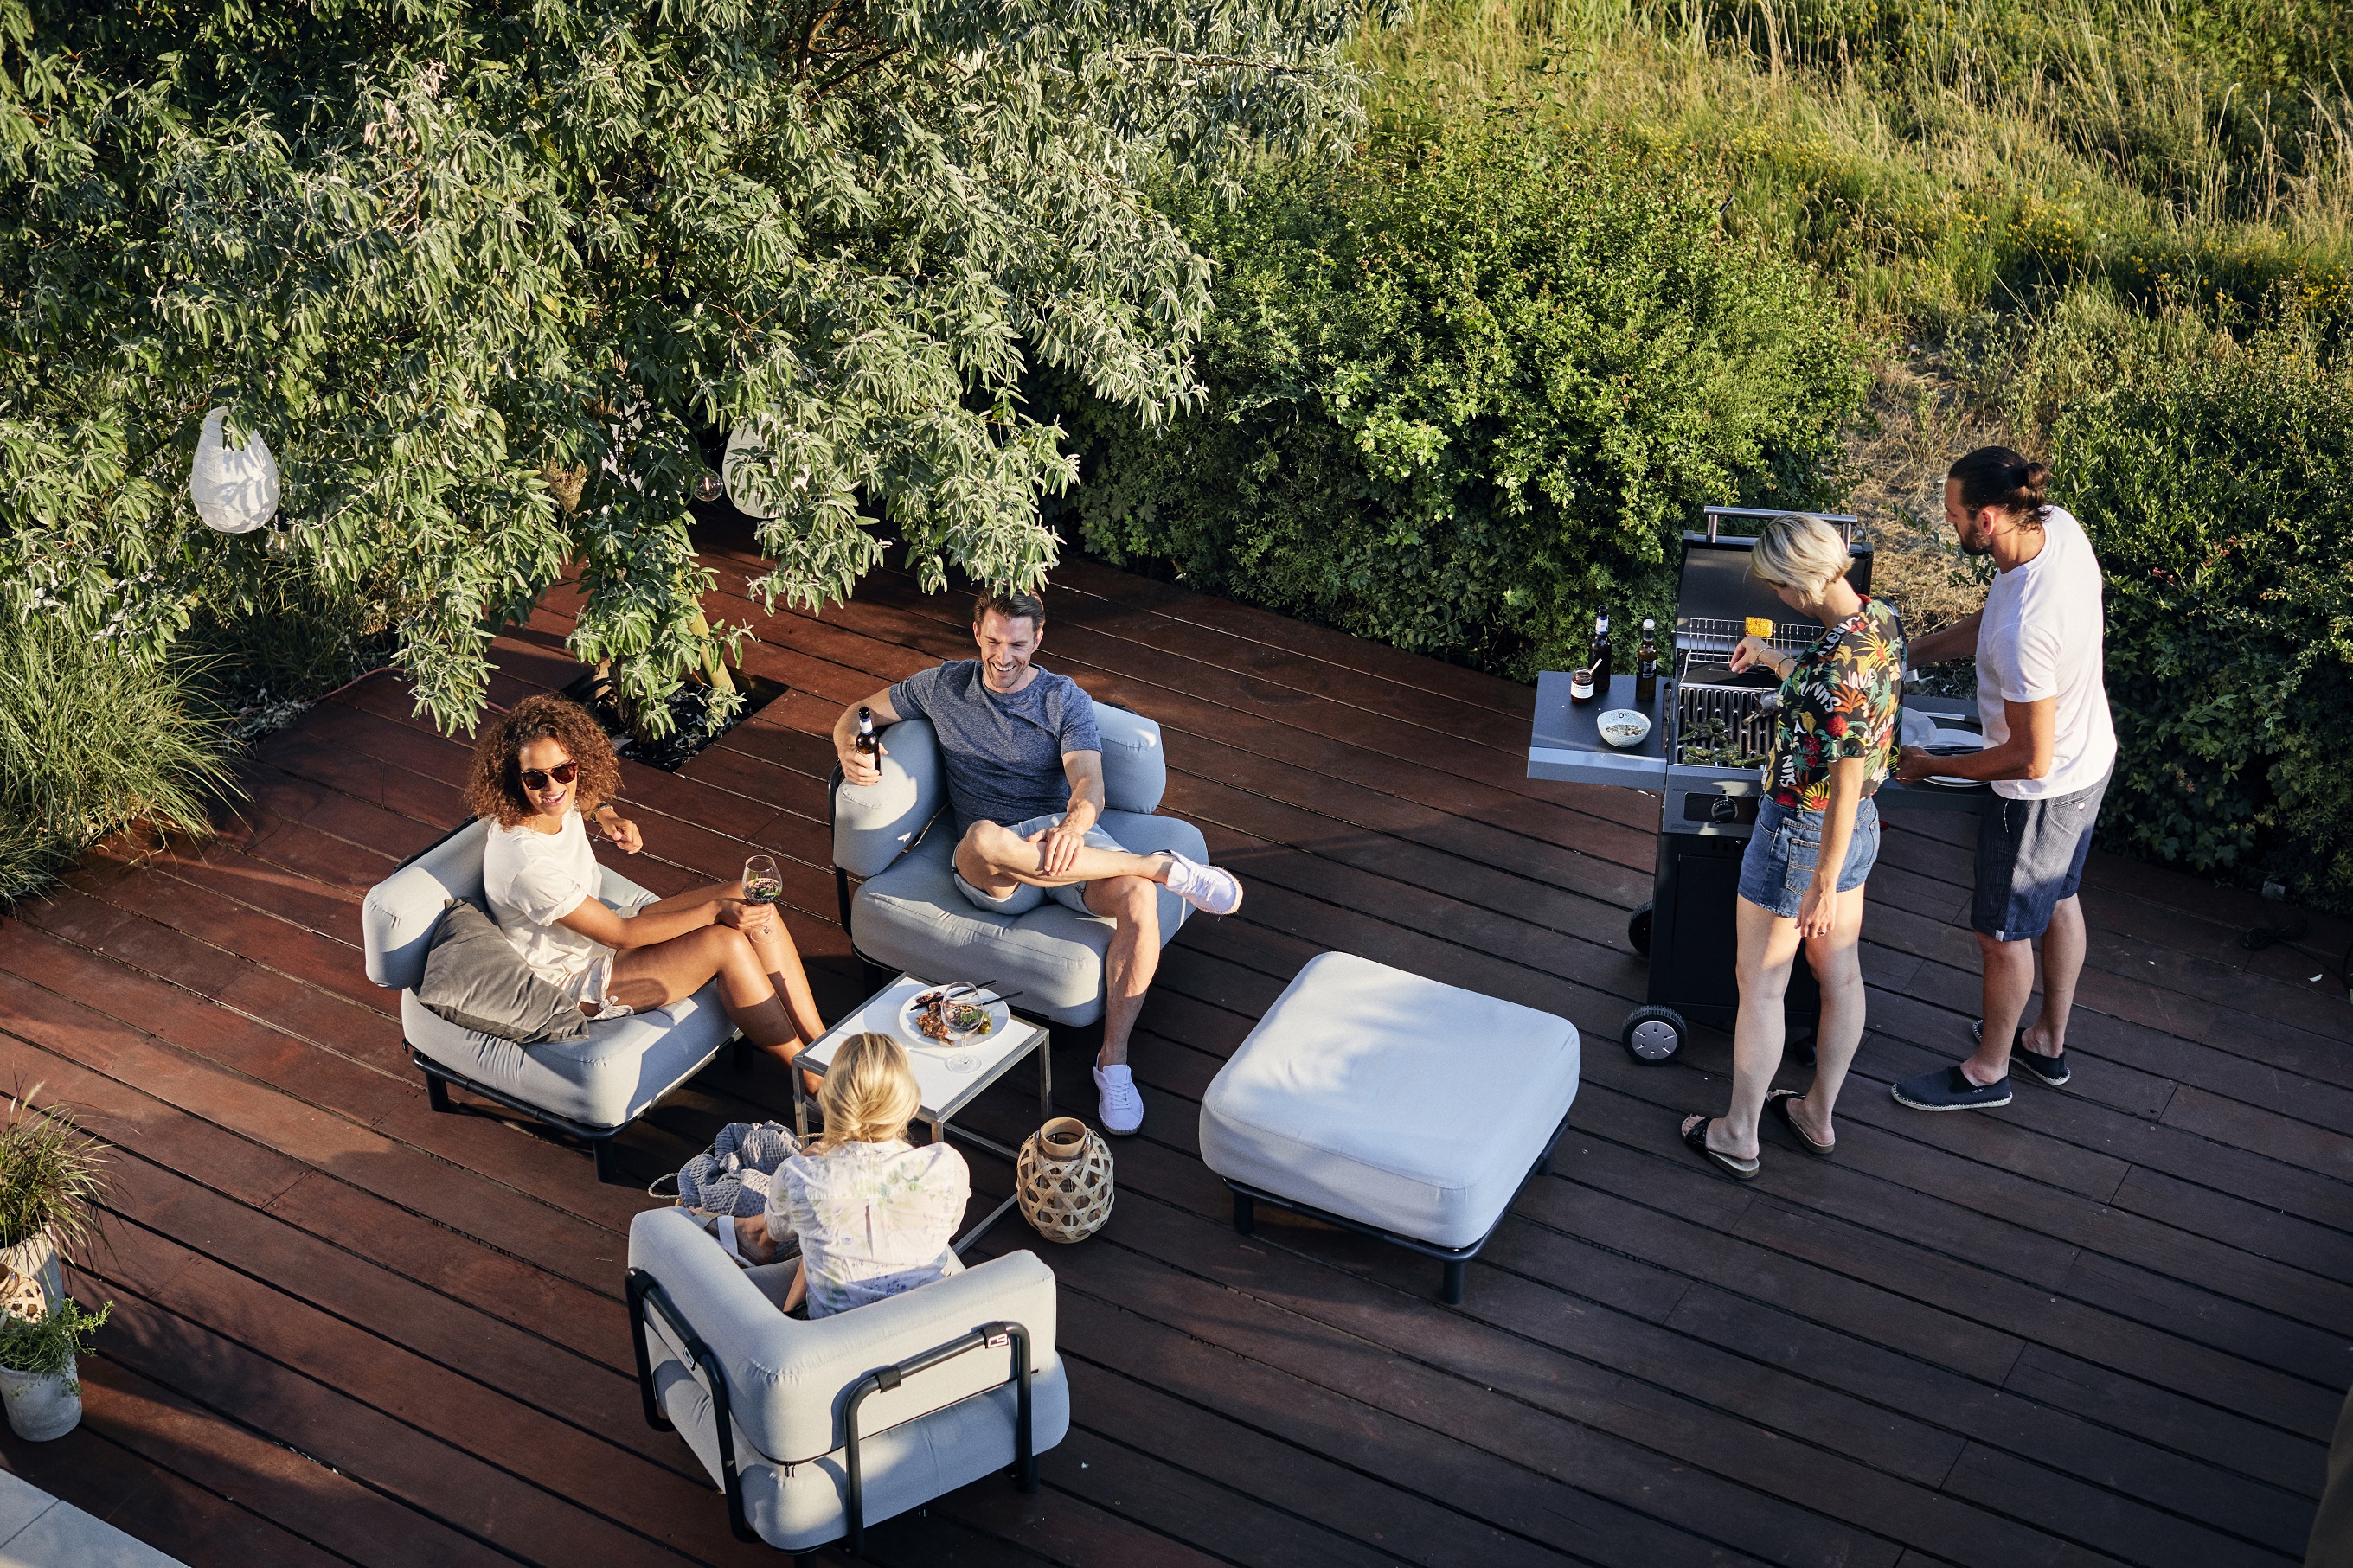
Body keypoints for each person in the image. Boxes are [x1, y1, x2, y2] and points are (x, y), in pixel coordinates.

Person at [833, 590, 1244, 1137]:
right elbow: (862, 710)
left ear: (1038, 639)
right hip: (997, 864)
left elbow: (1088, 782)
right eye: (993, 641)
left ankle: (1113, 1063)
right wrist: (848, 741)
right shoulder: (943, 685)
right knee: (983, 837)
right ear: (977, 633)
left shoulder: (1062, 698)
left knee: (1137, 899)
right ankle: (1158, 866)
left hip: (1064, 841)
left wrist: (1073, 827)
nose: (1003, 657)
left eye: (1018, 645)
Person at [1679, 513, 1905, 1179]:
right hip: (1860, 827)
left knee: (1762, 984)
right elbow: (1834, 694)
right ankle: (1816, 1114)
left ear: (1801, 583)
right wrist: (1773, 657)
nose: (1776, 597)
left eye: (1778, 585)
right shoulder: (1878, 620)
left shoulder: (1836, 669)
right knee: (1841, 975)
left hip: (1804, 833)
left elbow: (1844, 777)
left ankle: (1737, 1134)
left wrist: (1820, 883)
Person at [1891, 449, 2115, 1110]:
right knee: (2060, 899)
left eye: (1954, 514)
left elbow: (2027, 757)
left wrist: (1933, 765)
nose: (1948, 522)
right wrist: (1909, 651)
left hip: (2040, 791)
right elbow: (1991, 621)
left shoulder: (2027, 628)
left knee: (2001, 934)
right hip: (2091, 756)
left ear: (1986, 519)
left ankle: (1988, 1071)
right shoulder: (2057, 527)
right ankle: (2045, 1040)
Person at [466, 694, 826, 1065]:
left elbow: (579, 798)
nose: (553, 786)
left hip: (601, 940)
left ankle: (823, 1044)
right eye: (535, 777)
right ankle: (812, 1077)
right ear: (515, 779)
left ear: (576, 765)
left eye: (563, 771)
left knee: (746, 894)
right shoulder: (526, 862)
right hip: (577, 976)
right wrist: (715, 911)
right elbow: (617, 935)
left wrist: (606, 814)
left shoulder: (554, 800)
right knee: (726, 942)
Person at [728, 1032, 971, 1317]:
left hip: (834, 1334)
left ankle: (734, 1238)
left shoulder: (800, 1177)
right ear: (910, 1104)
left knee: (824, 1228)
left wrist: (803, 1165)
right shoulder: (945, 1167)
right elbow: (949, 1228)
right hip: (925, 1326)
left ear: (829, 1100)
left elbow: (776, 1231)